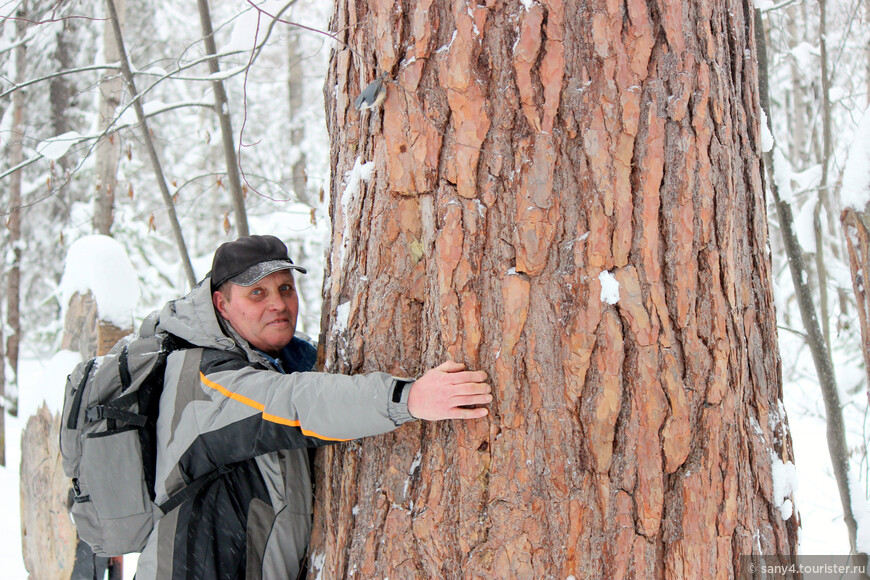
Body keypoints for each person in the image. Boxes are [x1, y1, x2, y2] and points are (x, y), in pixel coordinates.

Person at [134, 234, 491, 579]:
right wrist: (407, 397)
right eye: (257, 293)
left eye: (284, 288)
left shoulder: (283, 359)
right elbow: (293, 402)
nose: (278, 303)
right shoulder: (201, 377)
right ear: (221, 304)